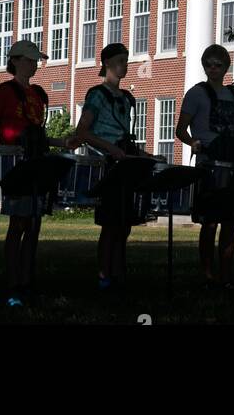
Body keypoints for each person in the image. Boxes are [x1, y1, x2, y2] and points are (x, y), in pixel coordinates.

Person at [175, 44, 234, 292]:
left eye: (218, 64)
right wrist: (193, 142)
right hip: (209, 163)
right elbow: (180, 130)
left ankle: (226, 276)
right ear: (204, 66)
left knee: (231, 222)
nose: (213, 69)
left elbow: (233, 132)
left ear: (226, 67)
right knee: (210, 222)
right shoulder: (196, 93)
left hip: (233, 163)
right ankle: (207, 275)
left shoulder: (233, 95)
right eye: (209, 64)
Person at [0, 39, 66, 307]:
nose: (34, 64)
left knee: (35, 223)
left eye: (36, 60)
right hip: (17, 166)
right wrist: (0, 152)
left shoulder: (39, 94)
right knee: (18, 224)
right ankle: (13, 283)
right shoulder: (6, 90)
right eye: (29, 59)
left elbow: (39, 136)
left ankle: (28, 281)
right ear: (15, 60)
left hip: (37, 163)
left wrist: (63, 143)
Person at [66, 42, 150, 291]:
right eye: (120, 61)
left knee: (124, 224)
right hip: (107, 165)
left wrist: (146, 155)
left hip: (124, 163)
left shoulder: (125, 97)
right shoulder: (97, 95)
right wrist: (110, 148)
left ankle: (118, 272)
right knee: (110, 224)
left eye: (126, 60)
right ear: (107, 64)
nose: (125, 65)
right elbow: (83, 132)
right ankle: (104, 275)